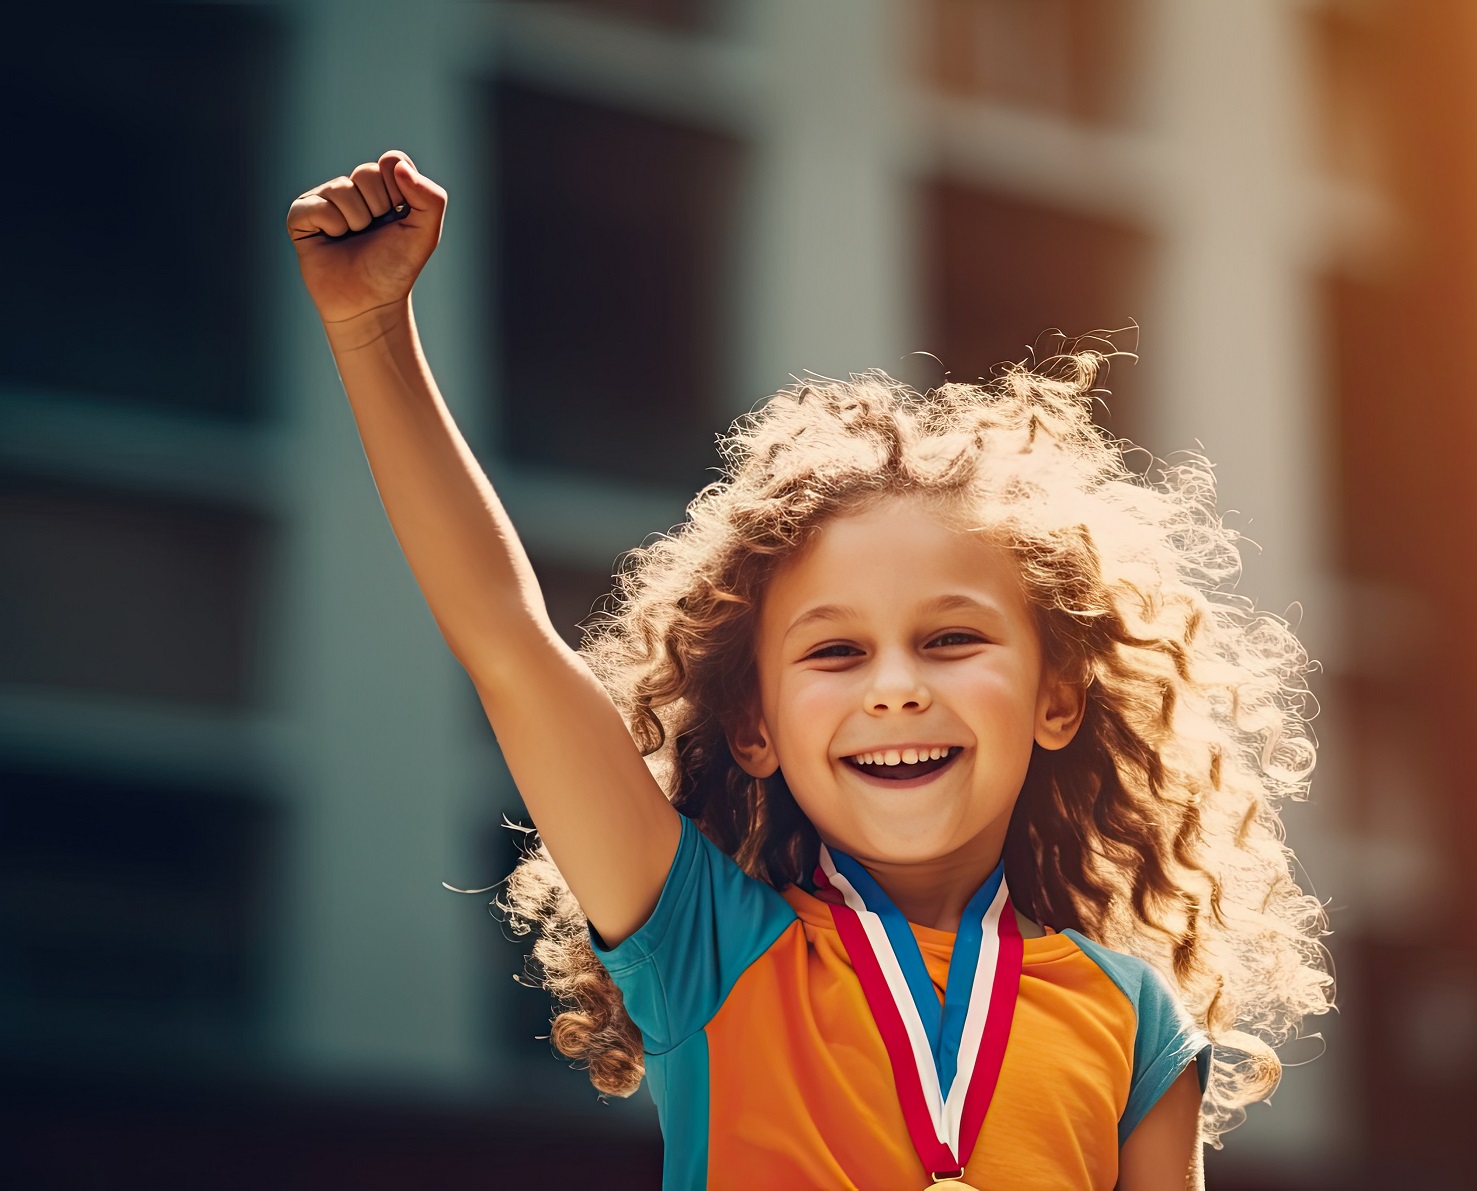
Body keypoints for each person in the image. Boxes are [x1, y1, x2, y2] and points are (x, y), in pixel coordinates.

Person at [288, 149, 1331, 1190]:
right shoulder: (703, 942)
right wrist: (371, 328)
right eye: (835, 651)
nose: (893, 687)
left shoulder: (1134, 1021)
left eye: (950, 639)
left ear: (1057, 697)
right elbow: (508, 645)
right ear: (754, 726)